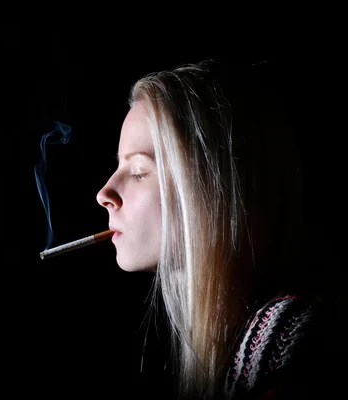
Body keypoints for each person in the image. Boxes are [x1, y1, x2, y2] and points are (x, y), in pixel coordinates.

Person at [95, 59, 345, 399]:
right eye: (119, 166)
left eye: (139, 171)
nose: (104, 194)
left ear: (215, 189)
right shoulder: (248, 349)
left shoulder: (285, 350)